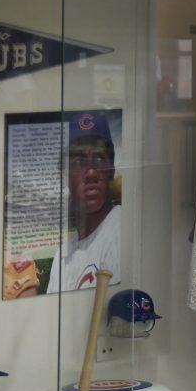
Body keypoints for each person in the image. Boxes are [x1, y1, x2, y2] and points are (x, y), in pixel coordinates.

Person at [55, 114, 122, 292]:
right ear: (66, 175)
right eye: (79, 161)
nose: (91, 172)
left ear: (112, 170)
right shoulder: (62, 253)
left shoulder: (120, 230)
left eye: (100, 159)